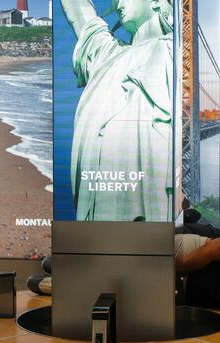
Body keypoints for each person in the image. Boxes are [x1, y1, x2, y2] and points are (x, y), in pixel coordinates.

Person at [62, 0, 174, 221]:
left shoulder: (176, 51)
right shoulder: (107, 55)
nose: (119, 3)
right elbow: (78, 9)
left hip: (152, 206)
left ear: (156, 2)